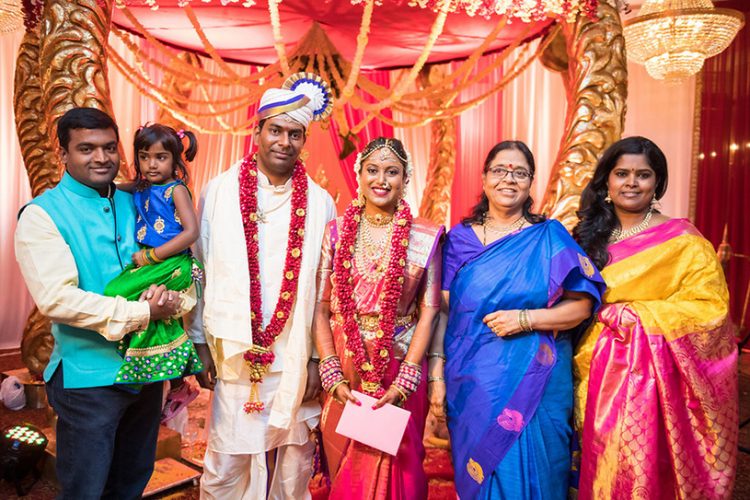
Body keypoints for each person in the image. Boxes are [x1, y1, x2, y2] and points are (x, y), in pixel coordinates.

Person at [14, 107, 187, 498]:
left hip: (145, 368)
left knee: (132, 479)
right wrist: (143, 311)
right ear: (63, 154)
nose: (102, 158)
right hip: (88, 379)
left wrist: (172, 294)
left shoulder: (135, 200)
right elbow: (58, 299)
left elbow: (170, 258)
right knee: (86, 488)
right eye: (86, 149)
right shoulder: (42, 215)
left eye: (110, 147)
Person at [186, 73, 337, 499]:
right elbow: (200, 268)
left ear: (303, 140)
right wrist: (199, 342)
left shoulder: (321, 201)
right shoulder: (218, 191)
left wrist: (314, 359)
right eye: (275, 130)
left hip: (293, 353)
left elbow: (322, 293)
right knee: (226, 462)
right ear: (257, 131)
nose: (283, 142)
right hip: (234, 350)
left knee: (293, 462)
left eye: (294, 133)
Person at [435, 140, 605, 499]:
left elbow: (582, 305)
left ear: (531, 182)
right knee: (482, 470)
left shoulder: (549, 237)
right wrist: (436, 375)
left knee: (538, 470)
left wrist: (525, 319)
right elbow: (443, 311)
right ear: (483, 178)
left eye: (519, 172)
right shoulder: (458, 240)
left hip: (537, 378)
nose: (508, 179)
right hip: (474, 380)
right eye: (499, 170)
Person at [572, 136, 738, 499]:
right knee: (591, 461)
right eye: (622, 174)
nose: (631, 182)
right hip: (587, 364)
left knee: (634, 466)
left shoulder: (684, 241)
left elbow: (710, 309)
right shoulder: (587, 235)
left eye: (643, 175)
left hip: (647, 376)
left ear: (657, 182)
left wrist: (634, 314)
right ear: (607, 181)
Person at [313, 137, 443, 498]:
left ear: (405, 178)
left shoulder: (425, 236)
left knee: (400, 462)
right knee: (341, 456)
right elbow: (321, 308)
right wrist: (330, 369)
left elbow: (430, 309)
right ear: (359, 175)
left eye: (392, 172)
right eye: (372, 170)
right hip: (345, 358)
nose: (381, 180)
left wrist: (408, 374)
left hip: (399, 359)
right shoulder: (336, 232)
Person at [103, 123, 204, 421]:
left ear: (175, 160)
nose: (151, 164)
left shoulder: (176, 190)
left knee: (119, 295)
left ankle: (170, 379)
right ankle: (175, 383)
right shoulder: (143, 187)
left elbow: (191, 232)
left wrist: (151, 255)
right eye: (145, 157)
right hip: (154, 263)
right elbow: (116, 187)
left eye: (160, 157)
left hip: (171, 263)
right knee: (136, 305)